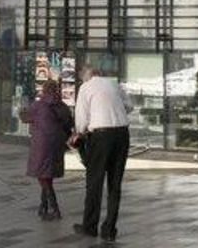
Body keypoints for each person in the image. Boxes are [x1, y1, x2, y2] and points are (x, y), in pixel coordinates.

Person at [70, 66, 130, 243]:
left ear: (86, 77)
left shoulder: (86, 87)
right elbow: (129, 106)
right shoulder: (114, 84)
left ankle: (90, 227)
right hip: (122, 134)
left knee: (94, 182)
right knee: (115, 184)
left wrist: (79, 133)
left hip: (101, 136)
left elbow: (81, 119)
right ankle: (110, 229)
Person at [22, 79, 73, 221]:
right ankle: (43, 206)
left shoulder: (38, 105)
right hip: (57, 144)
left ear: (44, 90)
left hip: (41, 145)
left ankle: (54, 207)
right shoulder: (62, 106)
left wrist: (22, 111)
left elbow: (25, 117)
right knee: (47, 174)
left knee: (42, 175)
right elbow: (69, 122)